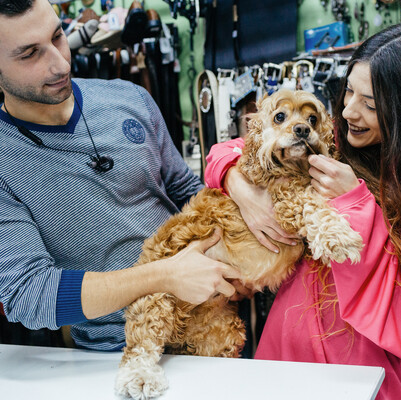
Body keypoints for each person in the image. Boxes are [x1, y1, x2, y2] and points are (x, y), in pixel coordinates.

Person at [205, 22, 401, 399]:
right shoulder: (333, 144)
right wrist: (238, 185)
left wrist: (355, 202)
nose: (348, 111)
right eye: (348, 91)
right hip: (281, 359)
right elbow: (234, 148)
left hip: (361, 379)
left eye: (369, 103)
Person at [0, 0, 246, 351]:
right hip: (121, 347)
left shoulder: (129, 98)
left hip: (211, 317)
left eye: (57, 37)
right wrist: (165, 276)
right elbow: (29, 295)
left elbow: (185, 190)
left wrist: (234, 247)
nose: (58, 63)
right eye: (29, 55)